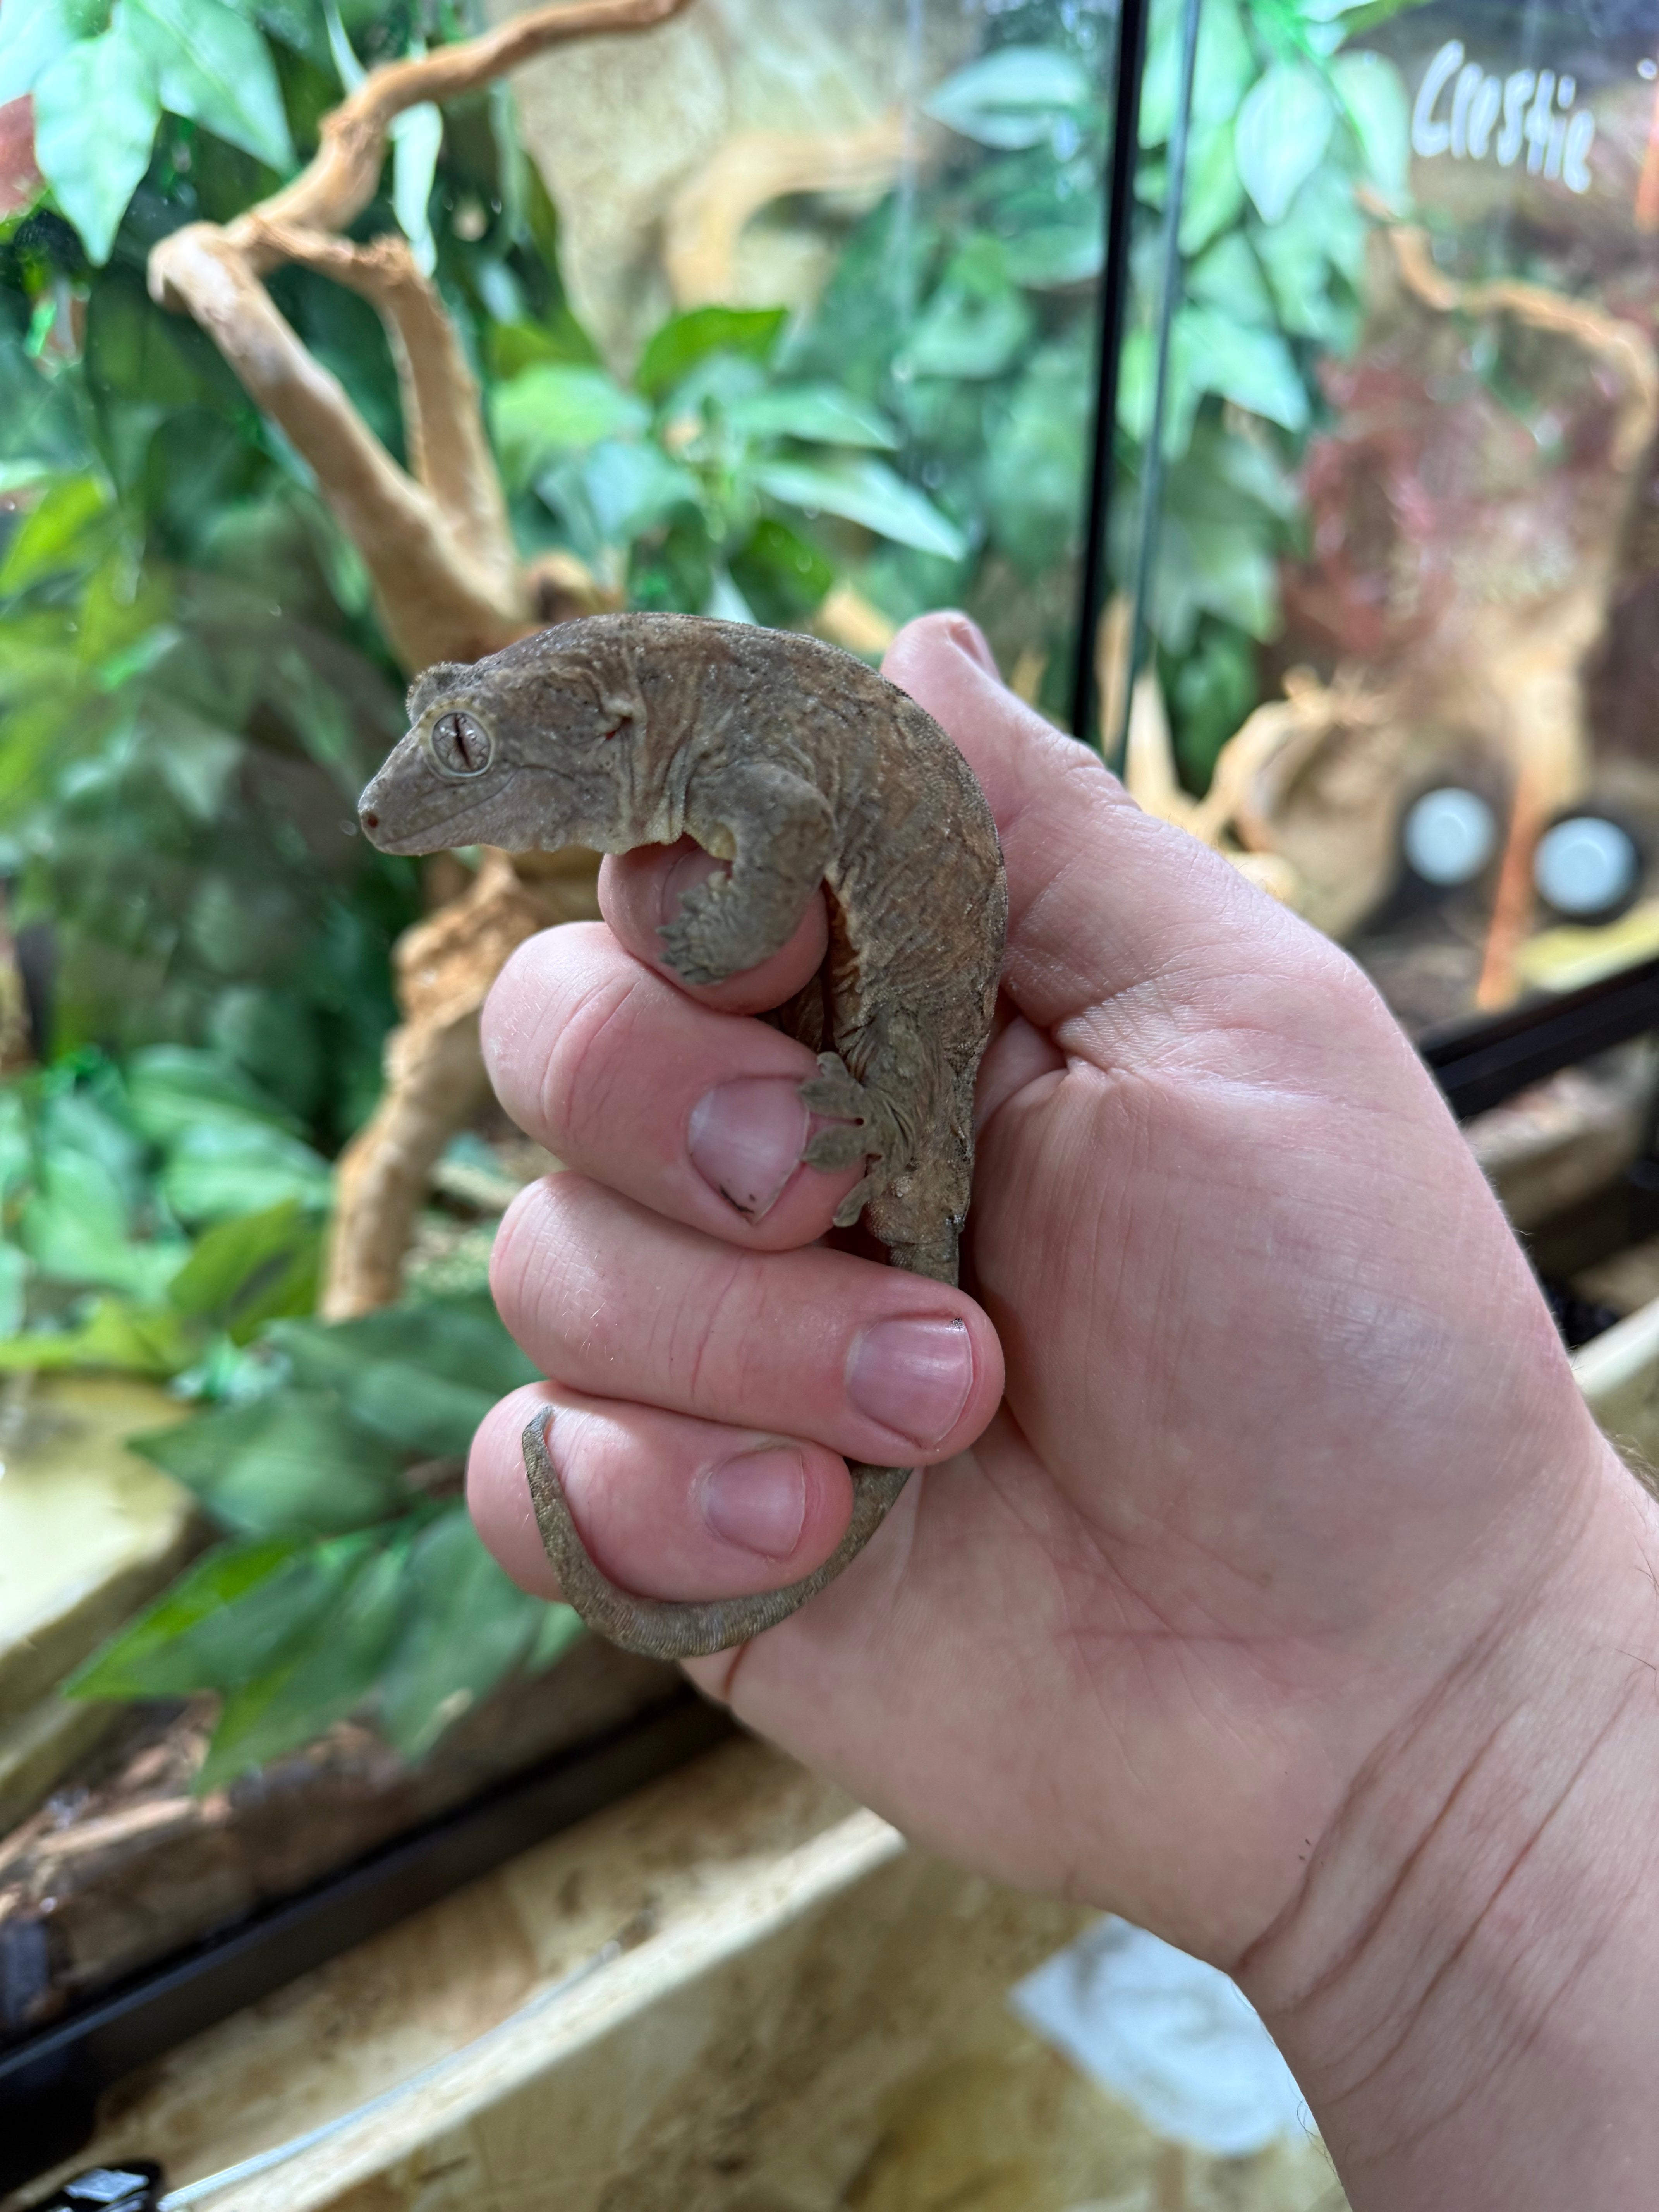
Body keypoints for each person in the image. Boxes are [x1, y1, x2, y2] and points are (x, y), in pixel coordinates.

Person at [465, 613, 1659, 2208]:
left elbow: (794, 835)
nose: (429, 797)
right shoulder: (715, 733)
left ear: (598, 727)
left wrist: (1470, 1700)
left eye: (474, 755)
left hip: (906, 1103)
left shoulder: (742, 742)